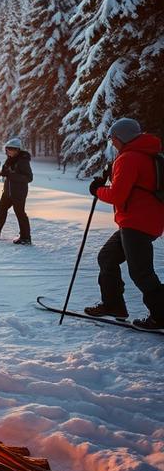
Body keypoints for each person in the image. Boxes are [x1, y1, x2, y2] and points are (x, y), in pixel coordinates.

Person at [84, 118, 164, 329]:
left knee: (141, 272)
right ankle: (114, 306)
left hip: (136, 222)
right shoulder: (146, 155)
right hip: (144, 221)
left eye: (113, 138)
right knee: (107, 257)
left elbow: (118, 196)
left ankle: (161, 315)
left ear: (122, 137)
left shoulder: (129, 158)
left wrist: (97, 190)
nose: (112, 142)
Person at [0, 138, 33, 244]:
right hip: (8, 192)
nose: (9, 151)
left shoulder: (23, 161)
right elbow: (6, 172)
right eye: (8, 149)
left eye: (12, 149)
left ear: (18, 150)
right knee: (1, 210)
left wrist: (11, 175)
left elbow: (28, 178)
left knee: (20, 214)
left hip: (18, 193)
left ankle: (26, 237)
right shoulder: (9, 160)